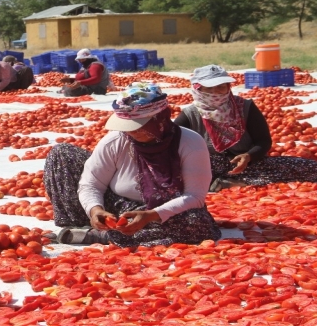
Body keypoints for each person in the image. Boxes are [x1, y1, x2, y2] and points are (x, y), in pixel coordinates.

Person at [43, 83, 221, 247]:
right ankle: (88, 225)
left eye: (137, 126)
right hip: (117, 206)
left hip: (166, 211)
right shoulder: (116, 140)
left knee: (196, 223)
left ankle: (102, 236)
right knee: (61, 153)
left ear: (160, 119)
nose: (130, 131)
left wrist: (152, 215)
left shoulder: (190, 143)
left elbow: (194, 197)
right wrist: (96, 210)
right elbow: (91, 184)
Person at [174, 64, 317, 191]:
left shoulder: (245, 107)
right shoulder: (190, 115)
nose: (216, 93)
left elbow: (263, 141)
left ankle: (229, 183)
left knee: (312, 168)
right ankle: (225, 181)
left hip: (247, 165)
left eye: (221, 87)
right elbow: (171, 144)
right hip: (207, 167)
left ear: (228, 87)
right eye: (210, 88)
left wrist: (249, 156)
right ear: (198, 89)